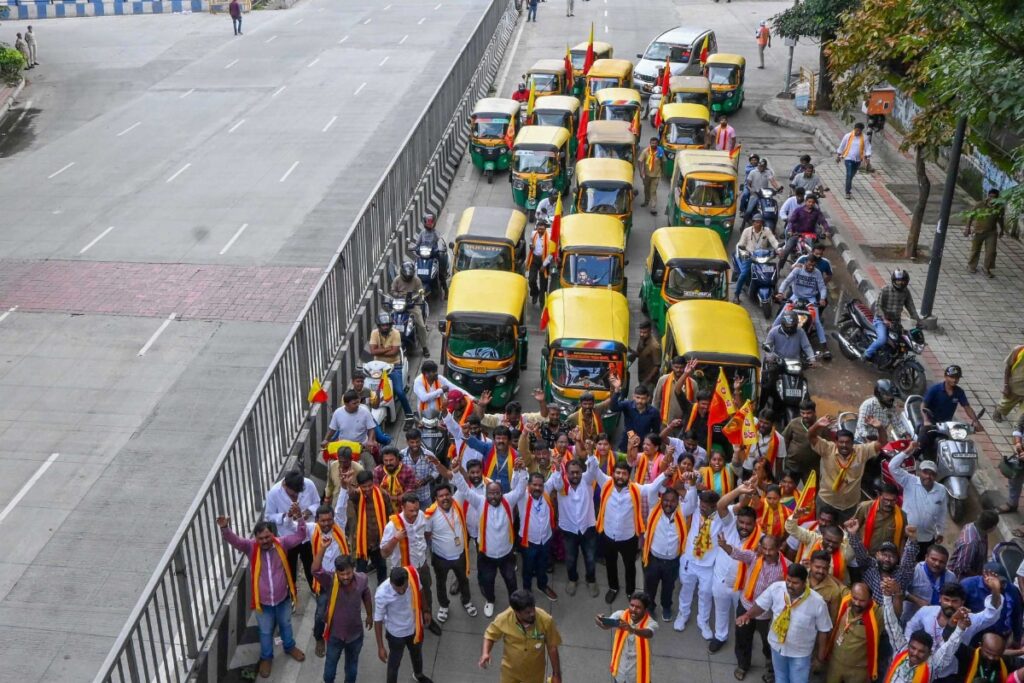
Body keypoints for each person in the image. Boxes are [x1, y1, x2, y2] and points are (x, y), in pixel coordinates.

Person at [218, 516, 307, 678]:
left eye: (267, 537)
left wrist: (300, 518)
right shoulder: (250, 547)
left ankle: (289, 646)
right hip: (262, 603)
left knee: (286, 624)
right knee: (265, 632)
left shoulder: (283, 543)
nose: (265, 541)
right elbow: (235, 541)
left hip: (283, 598)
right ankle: (266, 658)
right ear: (255, 539)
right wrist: (225, 528)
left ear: (273, 535)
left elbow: (301, 536)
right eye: (260, 538)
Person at [452, 456, 527, 617]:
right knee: (487, 581)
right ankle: (490, 601)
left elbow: (520, 489)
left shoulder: (508, 500)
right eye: (491, 493)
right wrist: (457, 473)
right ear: (486, 493)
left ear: (502, 493)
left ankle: (514, 605)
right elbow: (465, 490)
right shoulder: (479, 501)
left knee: (511, 581)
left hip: (507, 554)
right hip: (486, 555)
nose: (494, 497)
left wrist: (522, 471)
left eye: (497, 493)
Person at [592, 458, 671, 604]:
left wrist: (664, 474)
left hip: (629, 537)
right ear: (613, 474)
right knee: (610, 563)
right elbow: (595, 471)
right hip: (608, 534)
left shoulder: (636, 489)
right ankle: (613, 588)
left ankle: (630, 591)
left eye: (623, 474)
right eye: (617, 473)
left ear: (629, 476)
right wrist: (591, 454)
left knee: (629, 566)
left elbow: (653, 488)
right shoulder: (606, 483)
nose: (620, 476)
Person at [737, 564, 833, 683]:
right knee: (781, 678)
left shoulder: (817, 602)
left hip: (800, 653)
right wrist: (747, 615)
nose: (790, 585)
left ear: (804, 582)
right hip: (777, 647)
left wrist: (820, 658)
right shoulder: (776, 588)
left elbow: (824, 631)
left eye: (795, 583)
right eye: (788, 580)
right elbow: (761, 605)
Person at [903, 574, 1003, 681]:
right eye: (946, 599)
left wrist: (995, 591)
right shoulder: (926, 612)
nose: (950, 604)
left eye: (955, 601)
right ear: (940, 599)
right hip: (921, 669)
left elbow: (991, 614)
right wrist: (909, 653)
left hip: (948, 675)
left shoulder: (969, 620)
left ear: (962, 602)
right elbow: (910, 628)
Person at [724, 531, 793, 680]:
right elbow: (737, 554)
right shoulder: (754, 556)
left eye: (771, 549)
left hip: (767, 613)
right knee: (743, 636)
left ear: (779, 548)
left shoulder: (787, 566)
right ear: (760, 547)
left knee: (769, 641)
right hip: (746, 606)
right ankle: (743, 665)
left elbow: (797, 580)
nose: (767, 553)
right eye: (764, 548)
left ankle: (771, 667)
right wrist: (724, 546)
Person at [880, 580, 968, 683]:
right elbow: (891, 624)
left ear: (930, 653)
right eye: (913, 648)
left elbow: (949, 648)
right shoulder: (900, 649)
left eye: (921, 651)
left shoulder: (932, 666)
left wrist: (960, 629)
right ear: (908, 645)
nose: (915, 653)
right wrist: (886, 597)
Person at [380, 492, 442, 636]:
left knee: (426, 592)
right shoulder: (392, 526)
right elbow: (384, 553)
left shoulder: (421, 515)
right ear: (402, 507)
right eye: (411, 511)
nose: (415, 513)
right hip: (403, 570)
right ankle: (411, 624)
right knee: (405, 599)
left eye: (416, 509)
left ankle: (428, 618)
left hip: (421, 565)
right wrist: (395, 539)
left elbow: (426, 533)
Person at [675, 482, 730, 637]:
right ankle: (683, 614)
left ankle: (703, 621)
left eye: (706, 506)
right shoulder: (696, 507)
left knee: (705, 593)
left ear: (714, 507)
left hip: (708, 564)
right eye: (701, 505)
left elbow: (733, 506)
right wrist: (692, 484)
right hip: (689, 559)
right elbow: (682, 490)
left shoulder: (721, 516)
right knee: (686, 588)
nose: (702, 508)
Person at [710, 484, 760, 652]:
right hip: (721, 581)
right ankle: (720, 636)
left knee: (740, 620)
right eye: (742, 522)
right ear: (736, 520)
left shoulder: (761, 540)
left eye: (749, 524)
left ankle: (741, 647)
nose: (744, 527)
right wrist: (739, 491)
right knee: (721, 611)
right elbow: (720, 505)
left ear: (755, 524)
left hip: (743, 588)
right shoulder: (729, 524)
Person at [311, 548, 372, 683]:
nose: (345, 577)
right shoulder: (331, 581)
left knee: (351, 670)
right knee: (329, 673)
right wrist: (322, 548)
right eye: (341, 574)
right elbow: (315, 570)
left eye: (348, 573)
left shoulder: (362, 579)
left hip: (355, 636)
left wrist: (369, 615)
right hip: (335, 636)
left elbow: (366, 594)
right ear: (336, 572)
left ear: (353, 569)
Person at [807, 416, 884, 521]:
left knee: (846, 535)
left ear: (853, 443)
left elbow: (882, 443)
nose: (844, 445)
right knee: (822, 532)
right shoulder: (827, 448)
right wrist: (817, 425)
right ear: (836, 442)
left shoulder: (862, 451)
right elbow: (811, 437)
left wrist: (880, 428)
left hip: (850, 506)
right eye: (841, 442)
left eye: (848, 442)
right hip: (826, 501)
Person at [545, 455, 601, 598]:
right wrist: (557, 468)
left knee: (590, 557)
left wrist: (589, 453)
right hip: (568, 530)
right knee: (570, 558)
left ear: (581, 472)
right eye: (572, 472)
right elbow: (554, 484)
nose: (575, 475)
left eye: (577, 472)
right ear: (567, 473)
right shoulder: (561, 483)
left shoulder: (587, 480)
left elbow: (593, 468)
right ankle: (572, 579)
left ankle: (591, 580)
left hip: (588, 528)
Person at [480, 589, 563, 683]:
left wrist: (556, 674)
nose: (532, 614)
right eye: (527, 612)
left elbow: (552, 648)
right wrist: (485, 653)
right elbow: (490, 635)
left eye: (533, 609)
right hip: (510, 671)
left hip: (535, 673)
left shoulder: (546, 620)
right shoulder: (504, 618)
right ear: (516, 612)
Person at [423, 480, 477, 623]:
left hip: (460, 555)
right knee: (441, 582)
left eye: (447, 494)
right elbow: (427, 535)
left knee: (463, 580)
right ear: (436, 498)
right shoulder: (430, 514)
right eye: (441, 496)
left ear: (451, 495)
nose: (445, 498)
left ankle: (466, 601)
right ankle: (443, 606)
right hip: (441, 558)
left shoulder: (457, 504)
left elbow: (462, 484)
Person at [374, 566, 434, 683]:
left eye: (405, 587)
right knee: (394, 663)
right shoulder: (381, 594)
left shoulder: (413, 575)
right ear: (391, 582)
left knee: (417, 655)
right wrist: (380, 647)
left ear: (408, 580)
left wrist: (426, 610)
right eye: (398, 589)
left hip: (414, 627)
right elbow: (378, 621)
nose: (402, 591)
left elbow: (420, 591)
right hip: (396, 634)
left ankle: (418, 675)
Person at [643, 486, 693, 622]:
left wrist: (693, 486)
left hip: (672, 562)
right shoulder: (654, 509)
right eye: (665, 500)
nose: (668, 504)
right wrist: (665, 475)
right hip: (654, 560)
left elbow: (692, 502)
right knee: (650, 587)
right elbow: (652, 490)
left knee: (668, 588)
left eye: (672, 501)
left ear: (678, 502)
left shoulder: (682, 513)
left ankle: (666, 606)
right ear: (661, 500)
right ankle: (649, 607)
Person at [264, 470, 320, 591]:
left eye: (297, 495)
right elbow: (269, 515)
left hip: (308, 535)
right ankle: (291, 595)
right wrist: (285, 516)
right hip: (288, 537)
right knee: (289, 569)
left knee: (311, 565)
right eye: (292, 495)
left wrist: (307, 512)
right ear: (284, 485)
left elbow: (317, 503)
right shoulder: (274, 493)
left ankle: (315, 590)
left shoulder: (309, 484)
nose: (295, 497)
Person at [309, 502, 352, 658]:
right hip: (324, 581)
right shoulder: (311, 530)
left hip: (343, 578)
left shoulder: (338, 526)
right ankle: (319, 637)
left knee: (344, 609)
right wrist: (298, 517)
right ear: (317, 521)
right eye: (323, 521)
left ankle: (342, 633)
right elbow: (296, 526)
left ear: (334, 519)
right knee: (321, 614)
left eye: (329, 520)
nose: (326, 523)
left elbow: (341, 503)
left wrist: (345, 487)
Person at [889, 444, 948, 557]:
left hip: (927, 538)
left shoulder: (941, 490)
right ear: (919, 472)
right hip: (906, 535)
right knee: (903, 562)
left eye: (932, 474)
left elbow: (942, 512)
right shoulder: (909, 481)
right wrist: (908, 450)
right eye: (925, 472)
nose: (928, 476)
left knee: (921, 565)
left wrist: (940, 531)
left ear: (935, 476)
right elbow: (892, 466)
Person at [845, 517, 919, 603]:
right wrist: (853, 534)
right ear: (877, 555)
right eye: (884, 555)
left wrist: (912, 539)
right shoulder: (870, 566)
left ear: (897, 560)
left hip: (891, 614)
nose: (887, 559)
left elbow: (908, 561)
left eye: (892, 556)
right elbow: (860, 553)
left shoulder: (901, 575)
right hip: (868, 612)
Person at [918, 365, 984, 461]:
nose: (954, 380)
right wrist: (926, 420)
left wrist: (975, 421)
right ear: (945, 376)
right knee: (920, 445)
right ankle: (913, 459)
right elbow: (923, 405)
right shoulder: (935, 389)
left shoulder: (959, 392)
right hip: (931, 424)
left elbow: (967, 407)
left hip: (946, 425)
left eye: (957, 378)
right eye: (952, 377)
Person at [510, 471, 559, 600]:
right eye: (534, 485)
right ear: (528, 485)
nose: (537, 488)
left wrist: (558, 468)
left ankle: (542, 585)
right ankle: (526, 590)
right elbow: (514, 485)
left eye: (540, 485)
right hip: (528, 542)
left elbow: (556, 479)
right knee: (528, 567)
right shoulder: (522, 496)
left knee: (542, 565)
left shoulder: (546, 492)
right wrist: (517, 471)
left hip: (545, 540)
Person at [822, 583, 881, 683]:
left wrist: (897, 594)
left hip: (858, 671)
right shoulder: (846, 599)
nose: (857, 603)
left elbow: (895, 613)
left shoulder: (877, 614)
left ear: (870, 599)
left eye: (862, 600)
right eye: (855, 598)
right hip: (835, 664)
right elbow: (838, 584)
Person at [595, 591, 658, 683]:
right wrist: (600, 621)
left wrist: (632, 630)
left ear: (645, 609)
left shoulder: (651, 623)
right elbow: (606, 625)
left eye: (638, 607)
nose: (633, 609)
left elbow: (649, 633)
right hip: (620, 673)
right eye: (631, 605)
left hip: (637, 676)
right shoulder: (620, 615)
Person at [774, 255, 830, 357]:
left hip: (811, 299)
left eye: (813, 265)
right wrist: (781, 293)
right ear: (805, 263)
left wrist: (822, 298)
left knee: (816, 321)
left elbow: (822, 287)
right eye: (809, 265)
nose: (811, 267)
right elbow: (786, 281)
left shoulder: (817, 273)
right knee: (781, 316)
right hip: (796, 296)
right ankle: (771, 338)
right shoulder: (797, 270)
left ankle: (825, 347)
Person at [864, 269, 921, 363]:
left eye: (903, 280)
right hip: (881, 320)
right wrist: (884, 319)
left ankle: (889, 358)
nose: (901, 283)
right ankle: (867, 354)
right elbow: (878, 306)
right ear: (894, 280)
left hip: (895, 322)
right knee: (882, 339)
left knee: (900, 342)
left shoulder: (906, 292)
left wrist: (918, 320)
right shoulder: (886, 290)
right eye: (898, 280)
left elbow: (911, 307)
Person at [347, 470, 394, 584]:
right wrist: (348, 484)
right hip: (363, 542)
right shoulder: (357, 496)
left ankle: (381, 593)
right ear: (359, 486)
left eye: (369, 485)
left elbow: (390, 515)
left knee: (382, 568)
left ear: (373, 483)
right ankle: (360, 594)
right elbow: (351, 495)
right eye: (364, 487)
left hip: (379, 540)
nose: (367, 489)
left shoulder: (383, 495)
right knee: (360, 572)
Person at [961, 563, 1023, 645]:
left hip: (1000, 636)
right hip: (974, 635)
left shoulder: (1011, 590)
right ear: (985, 577)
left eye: (1002, 581)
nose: (1000, 585)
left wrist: (1017, 638)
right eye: (996, 581)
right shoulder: (968, 585)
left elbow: (1017, 616)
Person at [369, 313, 414, 418]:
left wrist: (379, 351)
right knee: (368, 390)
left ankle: (409, 415)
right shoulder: (374, 333)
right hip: (377, 367)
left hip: (394, 366)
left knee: (399, 392)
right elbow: (372, 351)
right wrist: (387, 349)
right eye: (382, 325)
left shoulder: (396, 333)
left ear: (390, 325)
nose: (385, 327)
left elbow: (394, 353)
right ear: (379, 326)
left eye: (387, 325)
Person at [733, 213, 780, 302]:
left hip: (763, 256)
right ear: (753, 223)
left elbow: (773, 241)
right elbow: (741, 244)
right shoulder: (747, 231)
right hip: (750, 256)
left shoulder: (766, 230)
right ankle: (736, 294)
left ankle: (775, 294)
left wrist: (779, 249)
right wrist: (744, 252)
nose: (758, 224)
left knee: (773, 273)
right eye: (756, 222)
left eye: (759, 222)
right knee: (743, 274)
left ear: (762, 223)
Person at [904, 544, 955, 623]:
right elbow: (899, 590)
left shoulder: (951, 577)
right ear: (926, 557)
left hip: (935, 623)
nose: (937, 564)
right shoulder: (914, 570)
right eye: (933, 559)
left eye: (941, 562)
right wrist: (916, 600)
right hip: (911, 619)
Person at [608, 375, 661, 450]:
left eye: (643, 398)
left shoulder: (654, 412)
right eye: (638, 397)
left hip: (643, 447)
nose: (640, 401)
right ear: (633, 397)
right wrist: (617, 390)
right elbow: (613, 408)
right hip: (626, 444)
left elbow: (656, 432)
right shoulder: (627, 405)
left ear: (648, 398)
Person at [324, 390, 379, 462]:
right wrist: (326, 440)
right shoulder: (338, 413)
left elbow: (371, 428)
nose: (357, 405)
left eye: (358, 402)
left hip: (361, 447)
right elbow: (332, 429)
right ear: (346, 404)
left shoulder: (365, 412)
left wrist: (370, 440)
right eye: (354, 403)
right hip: (343, 448)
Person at [853, 482, 907, 555]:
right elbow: (853, 529)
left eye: (892, 501)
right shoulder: (865, 507)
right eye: (885, 499)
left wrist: (900, 559)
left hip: (886, 559)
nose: (888, 503)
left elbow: (902, 540)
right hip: (864, 554)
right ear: (878, 495)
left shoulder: (902, 516)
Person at [964, 188, 1006, 277]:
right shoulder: (980, 204)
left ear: (997, 198)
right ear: (988, 196)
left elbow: (1000, 219)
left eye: (994, 197)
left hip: (991, 232)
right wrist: (967, 228)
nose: (992, 199)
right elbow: (971, 216)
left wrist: (1002, 229)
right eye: (990, 197)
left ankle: (986, 268)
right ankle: (971, 266)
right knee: (975, 250)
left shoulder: (999, 207)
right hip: (978, 230)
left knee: (991, 252)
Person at [779, 193, 831, 265]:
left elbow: (823, 221)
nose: (811, 204)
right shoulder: (798, 210)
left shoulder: (817, 212)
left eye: (813, 202)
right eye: (809, 202)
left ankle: (816, 267)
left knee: (813, 251)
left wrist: (827, 230)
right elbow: (791, 221)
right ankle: (779, 268)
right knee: (787, 250)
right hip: (796, 234)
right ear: (806, 202)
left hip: (809, 235)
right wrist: (791, 230)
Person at [390, 261, 429, 356]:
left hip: (412, 304)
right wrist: (398, 295)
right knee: (388, 320)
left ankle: (424, 347)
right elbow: (392, 291)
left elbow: (420, 291)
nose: (408, 278)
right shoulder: (397, 279)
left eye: (409, 276)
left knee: (421, 325)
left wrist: (415, 297)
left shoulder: (417, 280)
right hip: (399, 304)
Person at [949, 510, 999, 579]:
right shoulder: (971, 543)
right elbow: (963, 568)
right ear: (992, 528)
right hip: (962, 578)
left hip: (976, 566)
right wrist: (980, 578)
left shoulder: (973, 526)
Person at [854, 379, 905, 443]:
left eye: (892, 396)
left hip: (879, 441)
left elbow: (897, 424)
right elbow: (861, 427)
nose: (891, 398)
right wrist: (868, 440)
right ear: (879, 394)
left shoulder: (892, 408)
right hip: (862, 441)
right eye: (888, 396)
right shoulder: (868, 405)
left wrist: (905, 434)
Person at [400, 429, 439, 508]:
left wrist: (426, 480)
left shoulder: (429, 454)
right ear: (407, 442)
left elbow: (437, 470)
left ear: (421, 440)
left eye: (417, 442)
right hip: (407, 497)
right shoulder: (401, 455)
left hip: (424, 496)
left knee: (427, 517)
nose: (415, 445)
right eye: (412, 442)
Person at [782, 400, 820, 479]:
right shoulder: (793, 423)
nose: (805, 415)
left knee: (811, 491)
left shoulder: (821, 426)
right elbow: (784, 440)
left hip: (812, 467)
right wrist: (783, 457)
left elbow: (828, 446)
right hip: (792, 465)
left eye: (808, 413)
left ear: (814, 412)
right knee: (788, 489)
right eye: (803, 413)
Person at [415, 213, 450, 297]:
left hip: (433, 255)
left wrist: (442, 247)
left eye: (431, 223)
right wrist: (415, 248)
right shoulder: (422, 233)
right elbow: (417, 244)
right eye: (428, 223)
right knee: (414, 267)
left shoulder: (435, 233)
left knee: (440, 270)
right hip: (423, 255)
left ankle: (445, 289)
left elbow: (440, 240)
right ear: (424, 223)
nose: (430, 224)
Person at [835, 123, 872, 199]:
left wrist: (868, 158)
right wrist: (838, 156)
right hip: (848, 158)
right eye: (857, 130)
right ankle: (847, 192)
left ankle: (848, 182)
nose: (858, 132)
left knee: (852, 174)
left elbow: (868, 148)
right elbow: (842, 145)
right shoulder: (848, 136)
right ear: (854, 129)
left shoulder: (864, 138)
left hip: (858, 160)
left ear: (862, 131)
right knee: (849, 174)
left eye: (860, 131)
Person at [743, 158, 782, 224]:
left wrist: (778, 188)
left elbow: (772, 181)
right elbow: (748, 184)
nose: (761, 168)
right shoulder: (752, 172)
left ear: (765, 167)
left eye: (763, 166)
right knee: (749, 211)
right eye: (760, 166)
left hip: (764, 194)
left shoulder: (767, 172)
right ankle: (743, 225)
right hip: (755, 194)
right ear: (758, 165)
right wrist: (751, 190)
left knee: (772, 208)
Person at [526, 217, 554, 305]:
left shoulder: (549, 238)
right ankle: (535, 293)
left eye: (542, 229)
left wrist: (544, 265)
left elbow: (551, 254)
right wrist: (531, 246)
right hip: (534, 259)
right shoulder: (533, 234)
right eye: (539, 228)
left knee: (543, 283)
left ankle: (542, 301)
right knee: (531, 280)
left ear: (545, 228)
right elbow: (531, 242)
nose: (540, 230)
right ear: (537, 228)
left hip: (544, 260)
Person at [995, 344, 1024, 424]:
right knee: (1005, 405)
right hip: (1014, 387)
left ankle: (1018, 427)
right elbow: (1008, 367)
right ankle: (998, 411)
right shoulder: (1018, 350)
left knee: (1020, 419)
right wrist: (1006, 386)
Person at [629, 320, 661, 390]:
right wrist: (630, 351)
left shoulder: (654, 346)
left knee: (646, 398)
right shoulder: (642, 339)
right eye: (640, 332)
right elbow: (639, 353)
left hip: (650, 380)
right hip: (641, 376)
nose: (642, 334)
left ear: (650, 331)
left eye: (644, 332)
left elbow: (657, 366)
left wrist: (647, 380)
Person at [637, 136, 665, 214]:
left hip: (656, 175)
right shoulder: (645, 151)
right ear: (650, 143)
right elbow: (639, 161)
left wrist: (662, 172)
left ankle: (653, 207)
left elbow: (664, 161)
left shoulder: (660, 152)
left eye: (655, 143)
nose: (653, 144)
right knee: (646, 189)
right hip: (646, 175)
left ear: (657, 144)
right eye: (652, 143)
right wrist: (641, 172)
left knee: (653, 191)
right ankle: (646, 202)